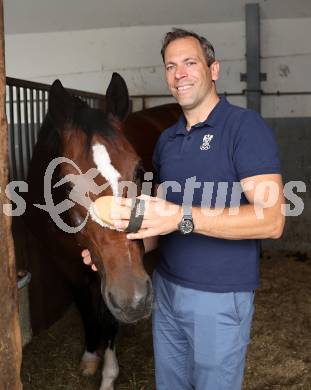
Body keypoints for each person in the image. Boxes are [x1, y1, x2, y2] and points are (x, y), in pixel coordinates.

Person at [82, 28, 285, 390]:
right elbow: (162, 226)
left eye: (190, 63)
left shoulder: (243, 128)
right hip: (167, 291)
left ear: (213, 70)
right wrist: (114, 251)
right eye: (171, 66)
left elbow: (271, 220)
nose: (180, 73)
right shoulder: (167, 141)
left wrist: (181, 215)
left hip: (220, 297)